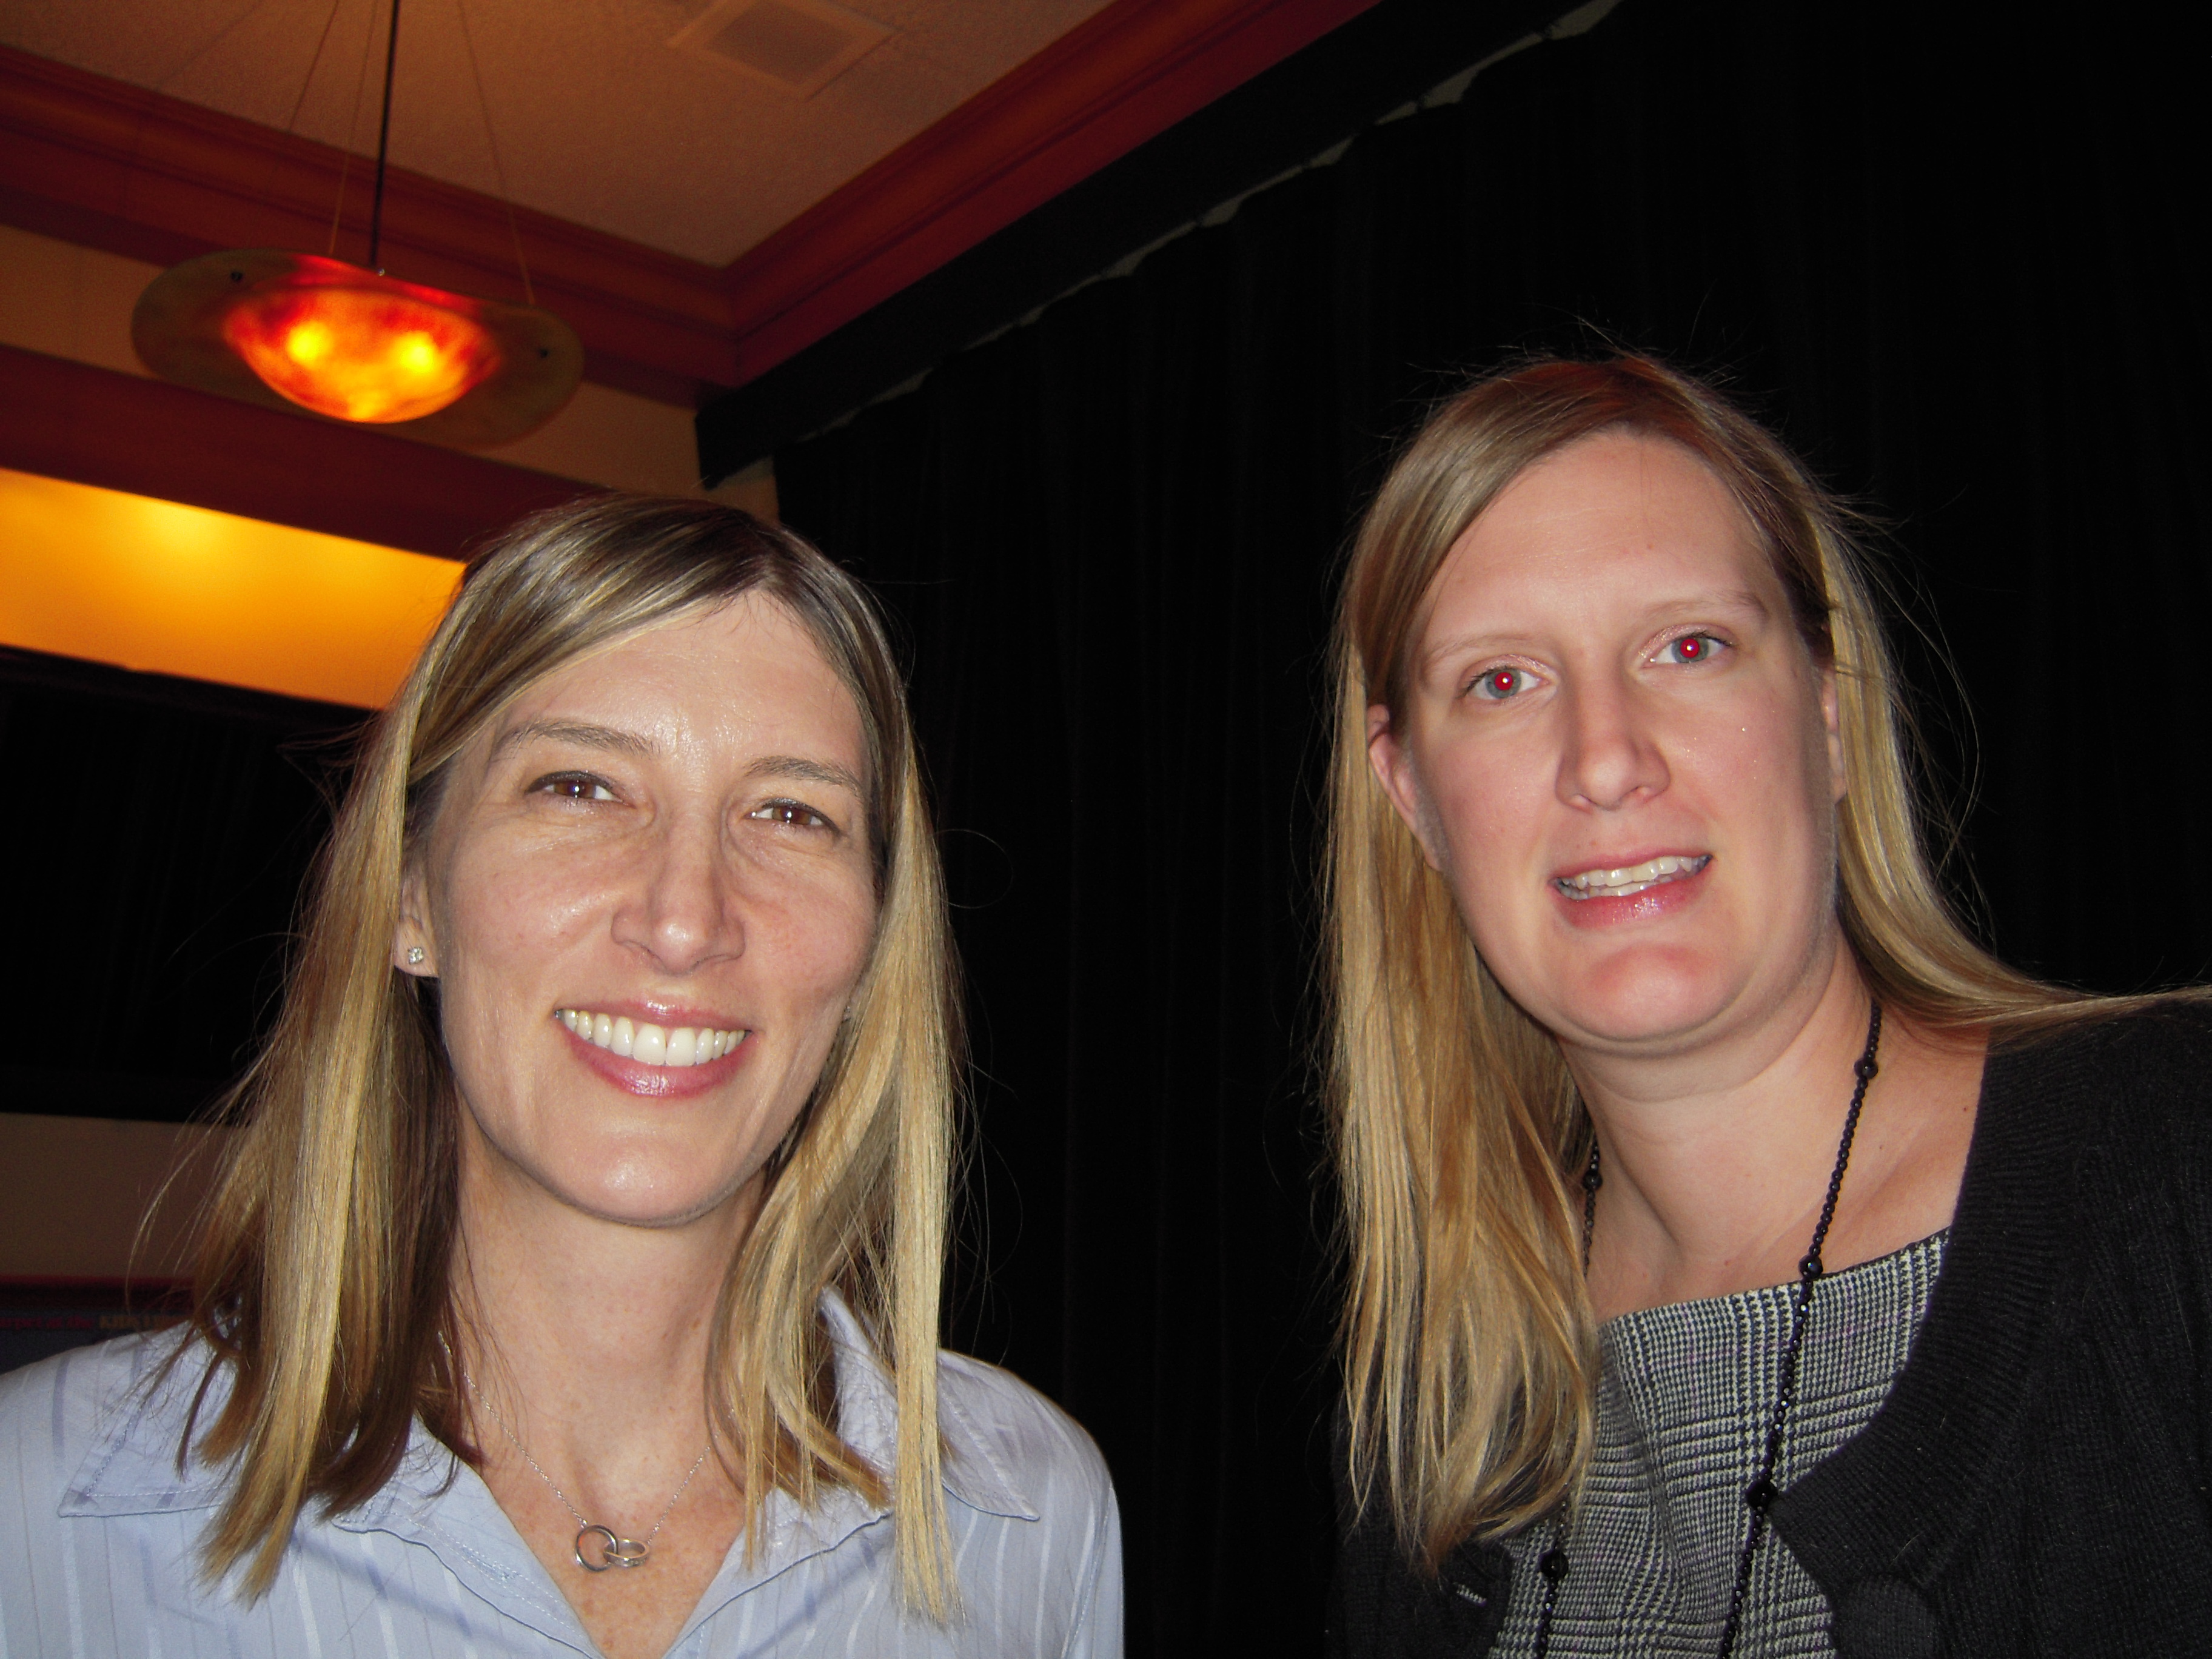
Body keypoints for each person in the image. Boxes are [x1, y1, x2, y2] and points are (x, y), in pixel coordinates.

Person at [0, 497, 1121, 1657]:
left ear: (873, 944)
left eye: (790, 813)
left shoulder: (1034, 1510)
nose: (684, 920)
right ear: (412, 893)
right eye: (579, 786)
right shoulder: (32, 1509)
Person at [1321, 355, 2212, 1658]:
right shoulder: (1444, 1447)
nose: (1606, 759)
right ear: (1412, 798)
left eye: (1690, 647)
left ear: (1831, 718)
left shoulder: (2177, 1163)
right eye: (1502, 681)